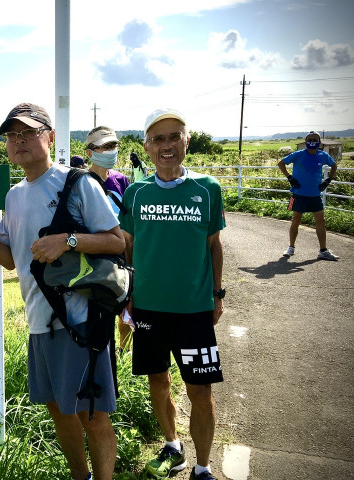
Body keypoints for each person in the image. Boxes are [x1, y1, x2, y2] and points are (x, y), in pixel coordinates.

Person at [0, 103, 124, 480]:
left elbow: (116, 241)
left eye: (28, 132)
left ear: (51, 137)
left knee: (92, 415)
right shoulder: (13, 196)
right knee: (59, 411)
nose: (19, 140)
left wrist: (68, 240)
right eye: (12, 135)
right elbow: (11, 259)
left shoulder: (77, 183)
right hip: (39, 322)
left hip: (80, 321)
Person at [119, 108, 225, 480]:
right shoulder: (136, 193)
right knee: (158, 380)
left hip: (193, 310)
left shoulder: (207, 188)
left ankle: (203, 467)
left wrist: (217, 294)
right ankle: (173, 447)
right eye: (158, 139)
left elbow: (214, 246)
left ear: (186, 141)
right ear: (147, 147)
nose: (167, 145)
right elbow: (128, 248)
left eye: (174, 136)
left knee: (201, 391)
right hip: (148, 308)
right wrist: (128, 297)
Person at [84, 126, 133, 350]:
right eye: (105, 147)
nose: (111, 151)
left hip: (123, 255)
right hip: (95, 260)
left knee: (126, 308)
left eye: (113, 146)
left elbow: (130, 219)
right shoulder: (81, 182)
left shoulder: (121, 180)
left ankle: (124, 351)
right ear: (90, 153)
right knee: (100, 314)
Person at [277, 131, 339, 260]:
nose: (312, 141)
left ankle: (323, 251)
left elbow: (334, 165)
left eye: (315, 139)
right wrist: (290, 177)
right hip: (299, 194)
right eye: (309, 139)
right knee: (296, 220)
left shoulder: (323, 155)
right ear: (305, 142)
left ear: (319, 142)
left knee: (321, 221)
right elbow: (281, 163)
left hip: (315, 195)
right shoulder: (298, 154)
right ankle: (291, 247)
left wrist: (328, 180)